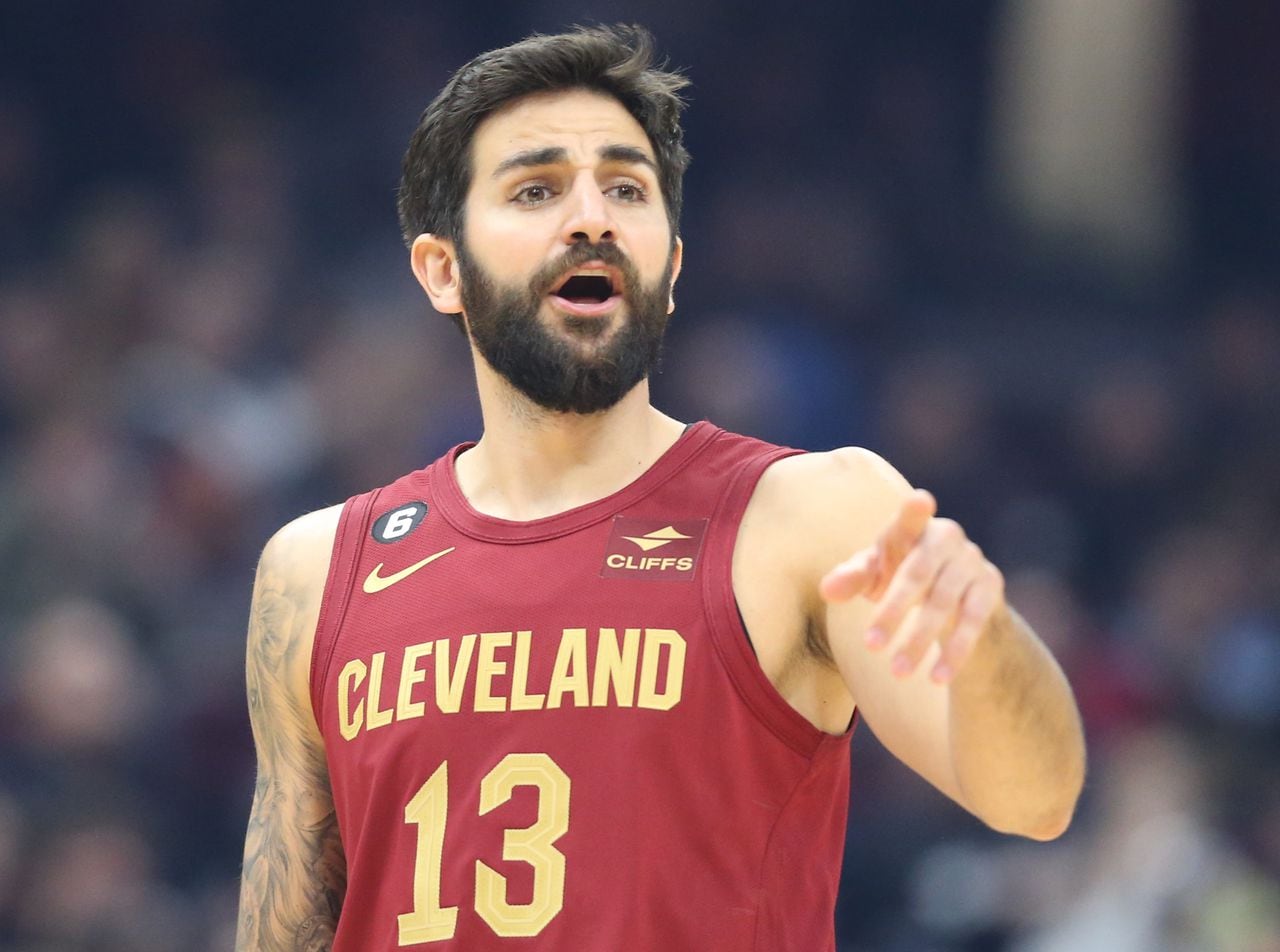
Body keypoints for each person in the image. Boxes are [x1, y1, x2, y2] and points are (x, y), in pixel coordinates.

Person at [235, 24, 1085, 952]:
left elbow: (1036, 801)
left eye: (627, 189)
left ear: (670, 267)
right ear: (445, 271)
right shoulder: (315, 569)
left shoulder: (811, 514)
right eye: (535, 190)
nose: (591, 219)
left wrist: (990, 641)